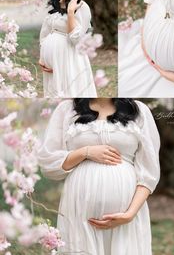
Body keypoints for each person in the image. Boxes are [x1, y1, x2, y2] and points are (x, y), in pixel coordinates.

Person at [37, 98, 160, 255]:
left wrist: (130, 214)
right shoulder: (66, 109)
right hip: (79, 213)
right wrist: (85, 152)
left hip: (126, 216)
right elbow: (49, 162)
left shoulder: (139, 110)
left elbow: (149, 172)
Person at [39, 0, 97, 97]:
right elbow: (45, 33)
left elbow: (75, 39)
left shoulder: (82, 7)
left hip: (70, 60)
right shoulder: (55, 5)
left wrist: (71, 12)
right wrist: (43, 57)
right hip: (51, 66)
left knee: (69, 94)